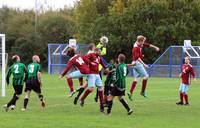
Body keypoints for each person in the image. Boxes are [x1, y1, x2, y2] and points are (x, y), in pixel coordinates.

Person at [128, 35, 160, 101]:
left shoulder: (139, 44)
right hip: (137, 63)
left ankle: (130, 92)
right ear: (139, 41)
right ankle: (142, 92)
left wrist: (155, 47)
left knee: (136, 79)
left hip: (134, 63)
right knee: (146, 76)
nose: (143, 43)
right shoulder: (135, 47)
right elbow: (138, 58)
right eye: (143, 42)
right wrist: (144, 64)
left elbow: (147, 45)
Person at [79, 43, 109, 112]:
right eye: (98, 51)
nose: (99, 52)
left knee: (101, 89)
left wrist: (106, 69)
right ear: (95, 51)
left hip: (97, 74)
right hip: (91, 74)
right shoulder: (91, 54)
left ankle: (101, 106)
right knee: (91, 89)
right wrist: (90, 62)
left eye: (100, 52)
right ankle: (82, 98)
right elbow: (84, 58)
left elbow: (103, 64)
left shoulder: (99, 57)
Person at [94, 36, 109, 102]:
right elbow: (98, 49)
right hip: (95, 70)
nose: (99, 51)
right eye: (98, 51)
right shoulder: (94, 53)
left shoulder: (96, 53)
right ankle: (97, 96)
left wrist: (102, 43)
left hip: (97, 70)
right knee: (97, 84)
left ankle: (97, 96)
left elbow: (99, 50)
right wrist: (103, 44)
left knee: (99, 84)